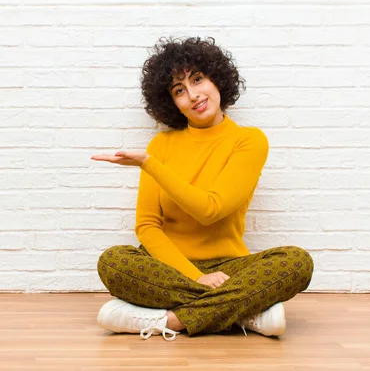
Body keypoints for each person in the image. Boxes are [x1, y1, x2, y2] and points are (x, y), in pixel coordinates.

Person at [91, 37, 314, 341]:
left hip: (230, 267)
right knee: (113, 261)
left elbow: (211, 210)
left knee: (296, 262)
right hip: (168, 268)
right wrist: (197, 277)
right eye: (179, 90)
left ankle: (168, 319)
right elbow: (147, 227)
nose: (193, 95)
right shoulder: (161, 145)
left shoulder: (249, 141)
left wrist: (149, 164)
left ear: (216, 78)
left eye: (197, 79)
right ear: (171, 102)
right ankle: (247, 312)